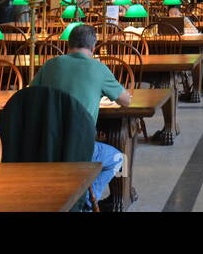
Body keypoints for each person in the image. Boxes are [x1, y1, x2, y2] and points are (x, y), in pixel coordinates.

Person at [32, 24, 131, 207]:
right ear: (94, 47)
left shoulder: (50, 65)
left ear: (67, 45)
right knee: (118, 157)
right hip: (79, 148)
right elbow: (126, 101)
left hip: (46, 145)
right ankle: (86, 200)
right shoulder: (98, 68)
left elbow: (32, 95)